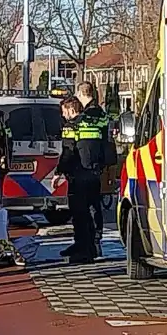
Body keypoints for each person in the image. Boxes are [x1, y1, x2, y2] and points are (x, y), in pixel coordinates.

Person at [57, 96, 102, 263]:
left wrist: (59, 171)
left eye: (64, 112)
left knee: (79, 214)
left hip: (77, 175)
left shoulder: (71, 126)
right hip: (94, 174)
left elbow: (68, 151)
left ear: (71, 110)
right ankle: (89, 246)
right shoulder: (93, 124)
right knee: (92, 210)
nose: (63, 116)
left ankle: (83, 250)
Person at [76, 81, 114, 246]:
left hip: (88, 164)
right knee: (95, 202)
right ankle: (95, 237)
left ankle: (93, 238)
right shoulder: (102, 114)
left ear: (81, 94)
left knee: (90, 204)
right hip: (97, 163)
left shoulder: (87, 115)